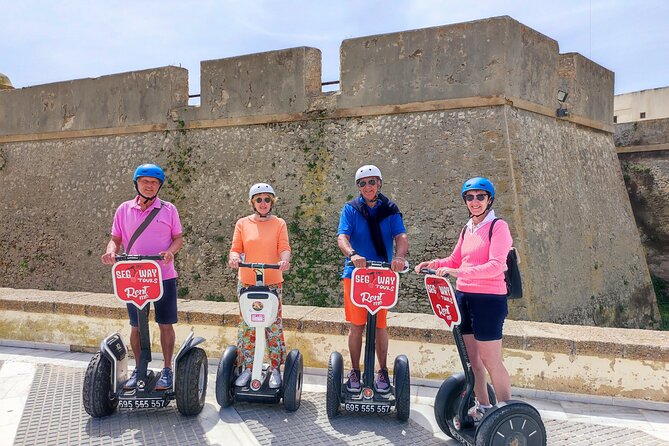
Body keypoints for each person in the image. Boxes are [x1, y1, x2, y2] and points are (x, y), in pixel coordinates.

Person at [415, 176, 512, 420]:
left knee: (491, 360)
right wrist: (435, 263)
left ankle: (506, 412)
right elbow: (455, 260)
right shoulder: (468, 227)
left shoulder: (497, 226)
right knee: (473, 361)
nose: (475, 201)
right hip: (464, 297)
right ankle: (484, 407)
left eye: (480, 196)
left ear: (489, 199)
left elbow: (496, 266)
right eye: (470, 197)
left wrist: (458, 272)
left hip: (489, 300)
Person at [101, 163, 183, 390]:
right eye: (145, 182)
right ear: (136, 183)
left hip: (163, 275)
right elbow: (115, 239)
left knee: (165, 324)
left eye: (154, 183)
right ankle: (139, 368)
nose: (149, 186)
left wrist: (170, 252)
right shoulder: (124, 209)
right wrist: (111, 252)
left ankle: (167, 369)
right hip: (135, 277)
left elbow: (178, 238)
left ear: (159, 186)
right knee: (136, 325)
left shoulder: (169, 209)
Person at [337, 165, 409, 393]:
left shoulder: (390, 209)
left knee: (379, 326)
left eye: (371, 182)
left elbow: (401, 235)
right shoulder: (351, 209)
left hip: (382, 275)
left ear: (379, 183)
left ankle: (383, 372)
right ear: (358, 187)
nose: (367, 187)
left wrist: (398, 256)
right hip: (356, 275)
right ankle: (355, 372)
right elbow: (343, 237)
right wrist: (353, 254)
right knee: (356, 325)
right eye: (362, 183)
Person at [228, 183, 291, 389]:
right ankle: (247, 368)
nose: (263, 203)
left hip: (272, 282)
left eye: (267, 199)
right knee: (247, 326)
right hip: (247, 281)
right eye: (259, 199)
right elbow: (236, 248)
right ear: (252, 202)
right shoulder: (242, 223)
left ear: (271, 202)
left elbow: (284, 248)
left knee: (272, 326)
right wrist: (235, 258)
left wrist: (284, 260)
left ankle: (274, 368)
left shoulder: (279, 223)